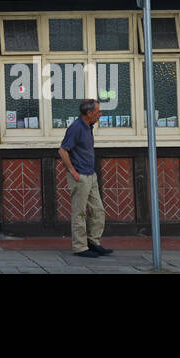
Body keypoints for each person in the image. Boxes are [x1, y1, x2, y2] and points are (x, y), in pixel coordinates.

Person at [58, 99, 112, 258]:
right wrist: (73, 172)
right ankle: (80, 247)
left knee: (98, 211)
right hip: (80, 176)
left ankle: (93, 242)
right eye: (98, 112)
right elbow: (63, 151)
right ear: (89, 113)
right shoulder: (76, 128)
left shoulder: (88, 126)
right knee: (79, 212)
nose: (100, 114)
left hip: (90, 174)